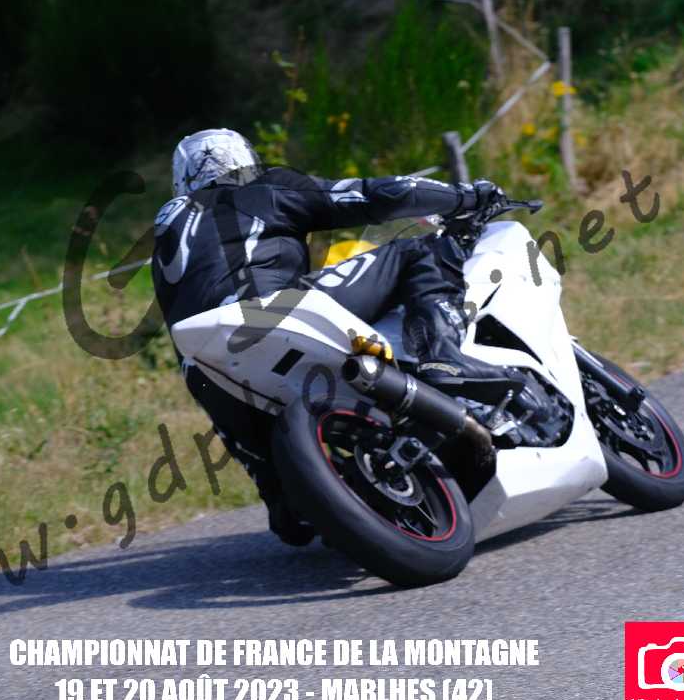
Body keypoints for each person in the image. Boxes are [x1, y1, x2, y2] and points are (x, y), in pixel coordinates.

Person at [152, 128, 552, 545]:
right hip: (268, 310)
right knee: (417, 250)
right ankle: (442, 354)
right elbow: (374, 195)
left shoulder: (166, 233)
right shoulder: (260, 188)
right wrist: (466, 197)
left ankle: (288, 497)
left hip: (206, 366)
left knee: (290, 517)